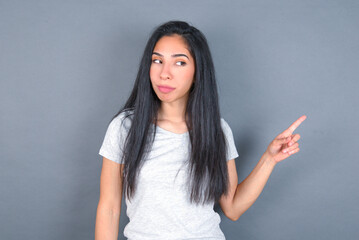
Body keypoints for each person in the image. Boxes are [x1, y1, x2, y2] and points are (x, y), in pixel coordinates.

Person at [94, 20, 306, 240]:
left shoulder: (216, 130)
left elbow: (232, 208)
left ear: (197, 72)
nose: (164, 73)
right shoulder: (125, 127)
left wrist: (269, 159)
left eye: (180, 63)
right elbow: (109, 208)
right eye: (157, 61)